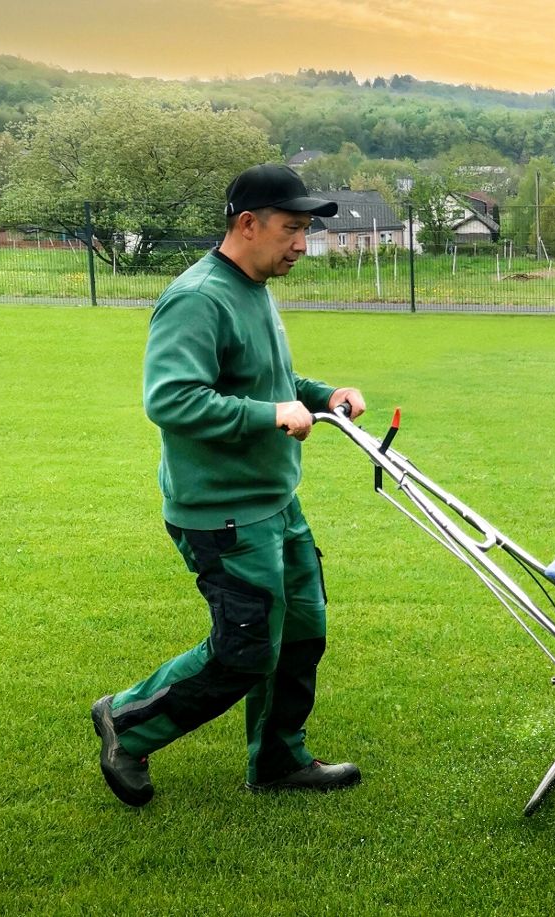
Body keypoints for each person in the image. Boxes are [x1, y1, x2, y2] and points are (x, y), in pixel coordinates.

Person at [91, 163, 366, 807]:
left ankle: (277, 759)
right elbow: (172, 400)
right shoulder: (198, 298)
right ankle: (126, 724)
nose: (303, 243)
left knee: (301, 632)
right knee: (243, 652)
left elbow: (271, 382)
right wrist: (273, 415)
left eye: (306, 230)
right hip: (222, 512)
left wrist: (324, 395)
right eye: (292, 229)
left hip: (275, 502)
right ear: (248, 224)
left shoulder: (256, 290)